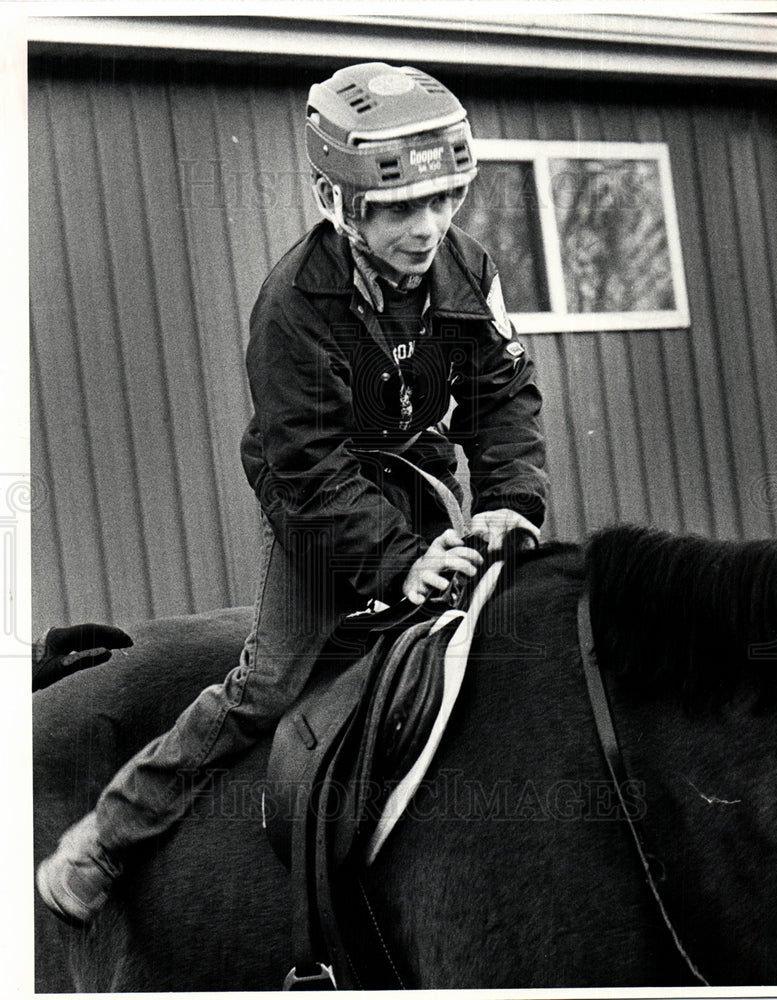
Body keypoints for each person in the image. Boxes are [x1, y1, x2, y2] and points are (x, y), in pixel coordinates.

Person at [36, 62, 548, 926]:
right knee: (269, 684)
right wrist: (399, 558)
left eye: (444, 200)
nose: (426, 229)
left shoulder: (469, 267)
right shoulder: (293, 304)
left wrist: (510, 500)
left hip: (416, 473)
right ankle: (105, 838)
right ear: (337, 201)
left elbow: (501, 393)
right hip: (313, 494)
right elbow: (309, 466)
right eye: (397, 209)